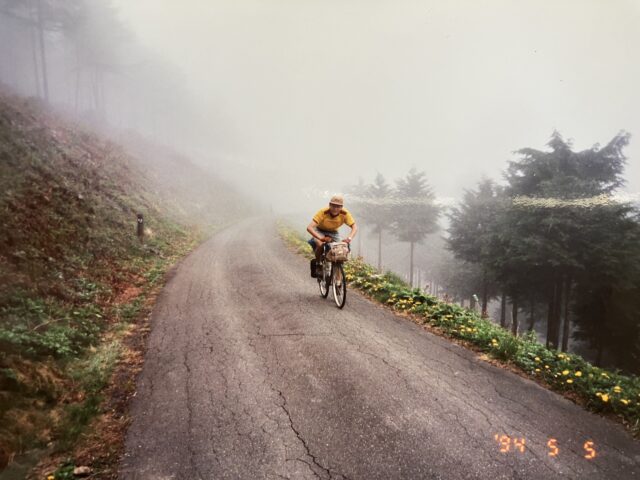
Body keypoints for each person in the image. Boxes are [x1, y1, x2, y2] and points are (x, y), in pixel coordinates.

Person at [306, 195, 358, 277]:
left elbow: (354, 227)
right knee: (320, 244)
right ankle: (318, 263)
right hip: (319, 230)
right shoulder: (323, 212)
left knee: (341, 247)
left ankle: (337, 271)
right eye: (333, 205)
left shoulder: (345, 213)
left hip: (333, 232)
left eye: (338, 206)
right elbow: (309, 228)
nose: (335, 208)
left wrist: (349, 238)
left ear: (341, 207)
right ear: (329, 205)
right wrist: (321, 238)